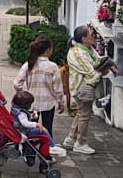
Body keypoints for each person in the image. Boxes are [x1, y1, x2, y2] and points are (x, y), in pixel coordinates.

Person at [64, 23, 115, 155]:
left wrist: (108, 65)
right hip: (81, 88)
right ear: (84, 39)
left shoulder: (87, 49)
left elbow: (98, 61)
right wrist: (104, 72)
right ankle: (81, 143)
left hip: (84, 86)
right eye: (92, 35)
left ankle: (71, 139)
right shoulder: (78, 53)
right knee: (85, 115)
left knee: (82, 113)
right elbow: (91, 72)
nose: (95, 37)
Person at [13, 34, 67, 142]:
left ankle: (30, 154)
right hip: (48, 105)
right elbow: (58, 89)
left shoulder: (29, 65)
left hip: (33, 106)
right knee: (47, 129)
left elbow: (17, 83)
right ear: (47, 50)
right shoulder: (53, 67)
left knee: (32, 128)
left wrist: (23, 94)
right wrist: (61, 102)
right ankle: (47, 153)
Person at [10, 88, 56, 155]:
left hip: (19, 130)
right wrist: (37, 124)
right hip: (24, 132)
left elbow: (21, 120)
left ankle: (51, 146)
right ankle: (52, 146)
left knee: (43, 131)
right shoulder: (21, 113)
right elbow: (25, 123)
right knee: (44, 130)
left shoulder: (15, 109)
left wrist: (31, 116)